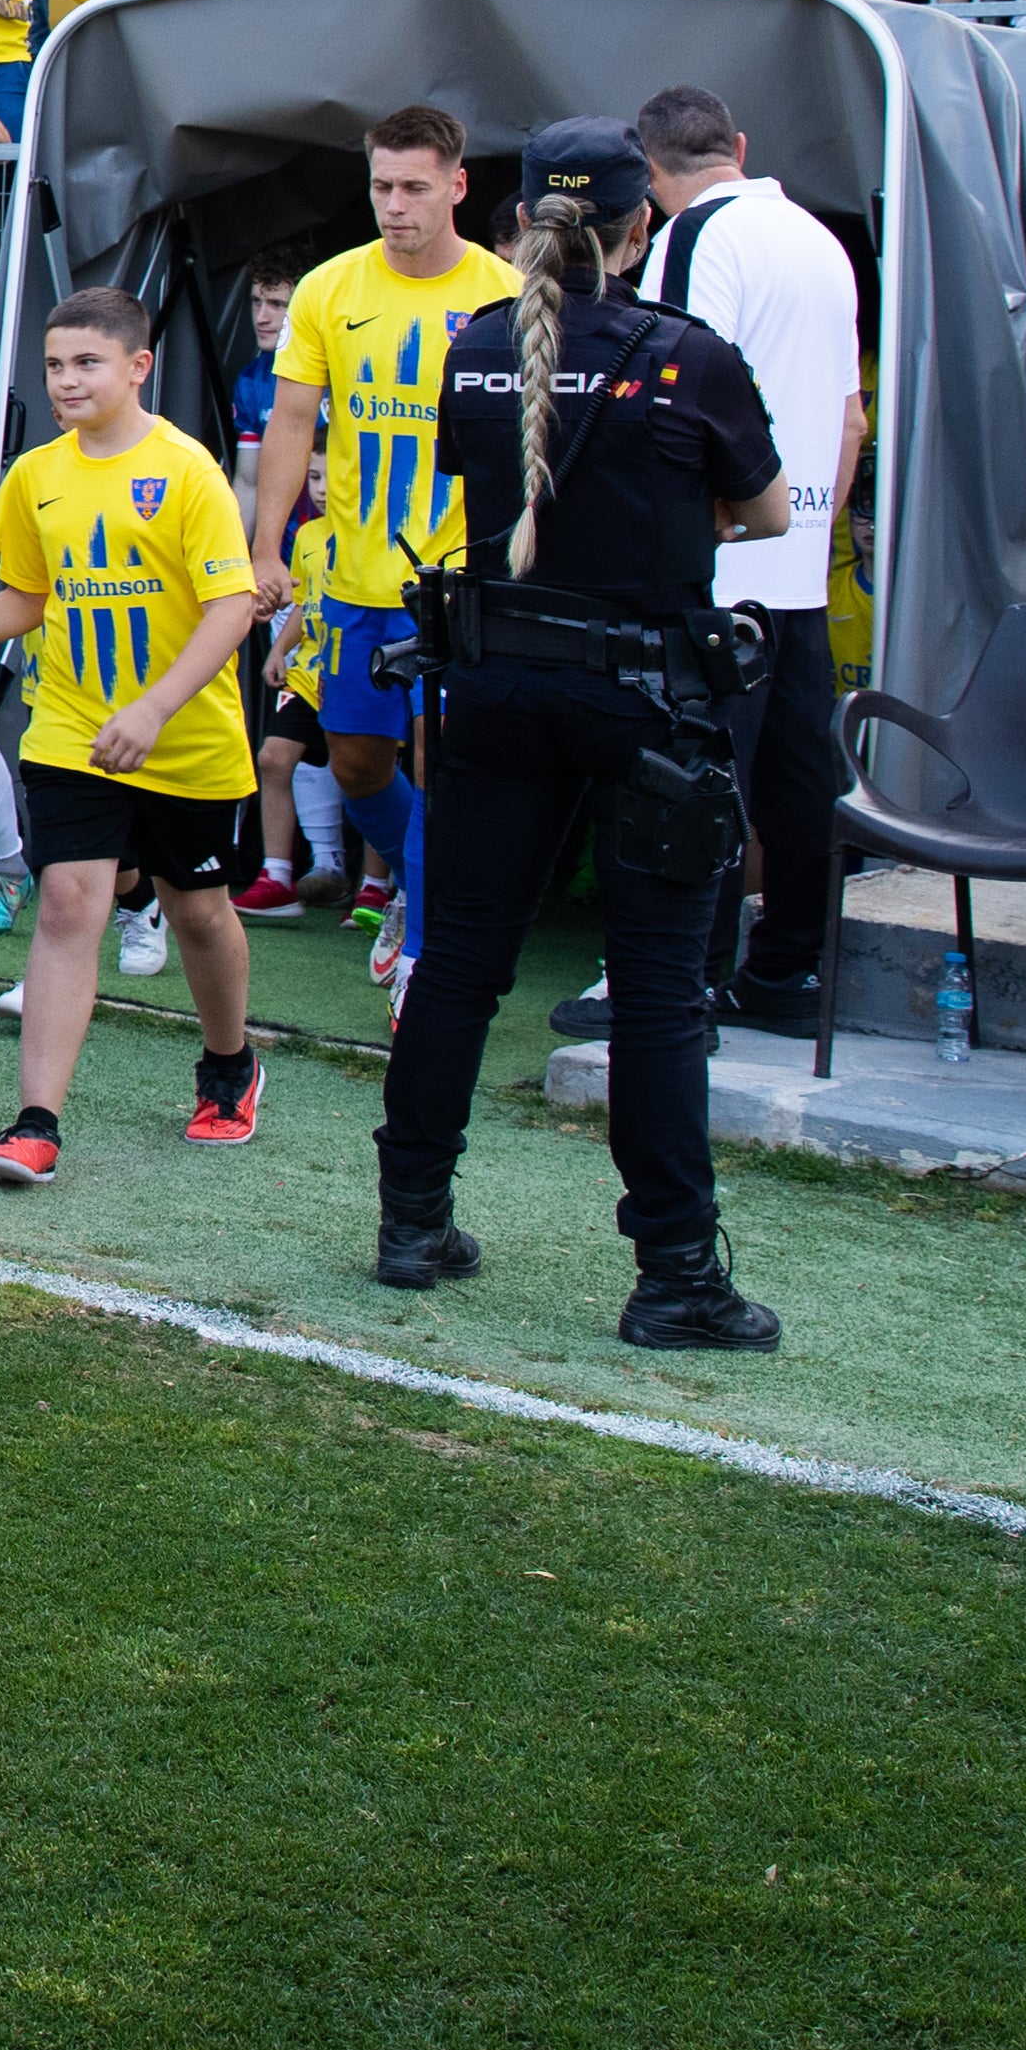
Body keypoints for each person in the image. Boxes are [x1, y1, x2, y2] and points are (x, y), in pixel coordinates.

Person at [375, 117, 797, 1346]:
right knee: (659, 997)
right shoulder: (684, 356)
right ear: (637, 225)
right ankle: (674, 1274)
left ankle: (410, 1218)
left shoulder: (474, 344)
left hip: (499, 686)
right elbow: (763, 510)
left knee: (458, 961)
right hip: (643, 696)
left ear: (515, 223)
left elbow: (492, 480)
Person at [549, 91, 865, 1043]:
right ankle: (787, 968)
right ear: (739, 145)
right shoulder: (819, 237)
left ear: (646, 177)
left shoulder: (693, 239)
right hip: (797, 559)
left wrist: (702, 535)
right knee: (798, 778)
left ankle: (671, 976)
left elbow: (673, 389)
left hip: (719, 568)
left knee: (687, 774)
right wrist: (806, 527)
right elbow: (851, 414)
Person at [0, 287, 263, 1187]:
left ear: (139, 367)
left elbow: (233, 605)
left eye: (87, 362)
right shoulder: (36, 475)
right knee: (66, 908)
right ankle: (34, 1123)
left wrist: (156, 708)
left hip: (187, 742)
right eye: (54, 364)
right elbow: (27, 594)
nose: (65, 380)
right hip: (71, 734)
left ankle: (229, 1067)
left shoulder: (187, 469)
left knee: (200, 912)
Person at [248, 109, 519, 995]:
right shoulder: (329, 289)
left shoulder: (502, 294)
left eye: (413, 187)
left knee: (446, 763)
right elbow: (292, 419)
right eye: (381, 186)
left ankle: (426, 954)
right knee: (360, 760)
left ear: (457, 185)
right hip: (356, 579)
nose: (394, 205)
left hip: (458, 585)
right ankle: (415, 876)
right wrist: (268, 547)